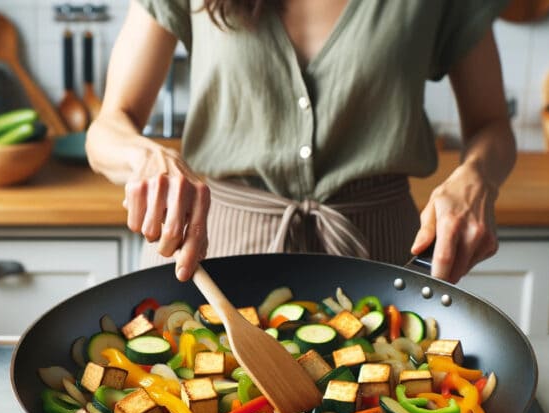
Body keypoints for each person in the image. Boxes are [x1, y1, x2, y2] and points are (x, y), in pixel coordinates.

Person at [86, 0, 516, 284]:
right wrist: (145, 157)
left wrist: (477, 177)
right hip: (211, 258)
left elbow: (492, 124)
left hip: (381, 258)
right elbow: (107, 127)